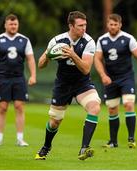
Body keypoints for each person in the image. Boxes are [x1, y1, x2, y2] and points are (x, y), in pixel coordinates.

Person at [35, 11, 101, 160]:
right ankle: (46, 146)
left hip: (82, 83)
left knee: (94, 107)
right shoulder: (57, 40)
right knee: (54, 121)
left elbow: (86, 69)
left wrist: (72, 54)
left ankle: (84, 148)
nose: (84, 28)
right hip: (63, 84)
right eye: (80, 26)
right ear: (71, 26)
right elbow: (40, 64)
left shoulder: (89, 42)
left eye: (85, 25)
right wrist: (49, 56)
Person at [94, 13, 137, 148]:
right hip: (110, 79)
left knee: (128, 104)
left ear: (120, 25)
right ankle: (113, 142)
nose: (113, 27)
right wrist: (103, 75)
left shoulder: (128, 38)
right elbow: (97, 59)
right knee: (112, 109)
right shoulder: (102, 40)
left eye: (115, 24)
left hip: (126, 77)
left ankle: (131, 139)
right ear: (107, 24)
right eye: (110, 24)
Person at [0, 14, 36, 146]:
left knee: (19, 107)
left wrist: (33, 75)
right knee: (2, 107)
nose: (13, 26)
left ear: (18, 25)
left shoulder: (24, 40)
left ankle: (20, 139)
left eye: (15, 24)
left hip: (19, 78)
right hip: (3, 78)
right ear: (5, 25)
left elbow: (30, 58)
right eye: (11, 24)